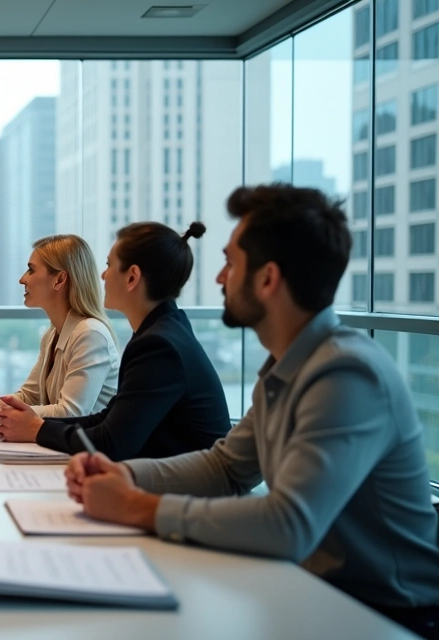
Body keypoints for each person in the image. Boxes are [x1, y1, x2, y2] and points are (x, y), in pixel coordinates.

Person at [65, 184, 439, 639]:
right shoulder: (288, 365)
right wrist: (129, 477)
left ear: (267, 279)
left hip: (384, 617)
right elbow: (226, 467)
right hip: (315, 594)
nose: (220, 278)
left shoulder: (347, 374)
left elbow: (288, 525)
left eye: (230, 262)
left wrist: (140, 506)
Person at [0, 221, 230, 460]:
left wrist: (37, 429)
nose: (103, 275)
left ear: (132, 277)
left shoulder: (159, 346)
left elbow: (112, 442)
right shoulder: (161, 331)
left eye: (109, 265)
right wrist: (36, 426)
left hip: (194, 488)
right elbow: (108, 418)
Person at [0, 235, 119, 421]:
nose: (22, 279)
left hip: (86, 450)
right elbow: (28, 397)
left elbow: (70, 413)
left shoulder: (90, 334)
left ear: (59, 280)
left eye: (31, 270)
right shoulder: (53, 333)